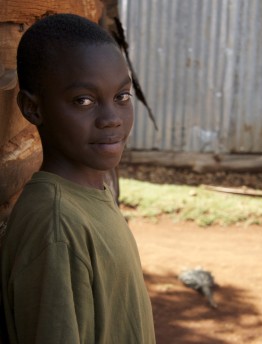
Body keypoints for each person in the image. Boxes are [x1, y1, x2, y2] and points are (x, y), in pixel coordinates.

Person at [0, 13, 155, 343]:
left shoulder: (90, 194)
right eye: (84, 100)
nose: (111, 119)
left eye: (122, 96)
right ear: (32, 108)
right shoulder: (56, 226)